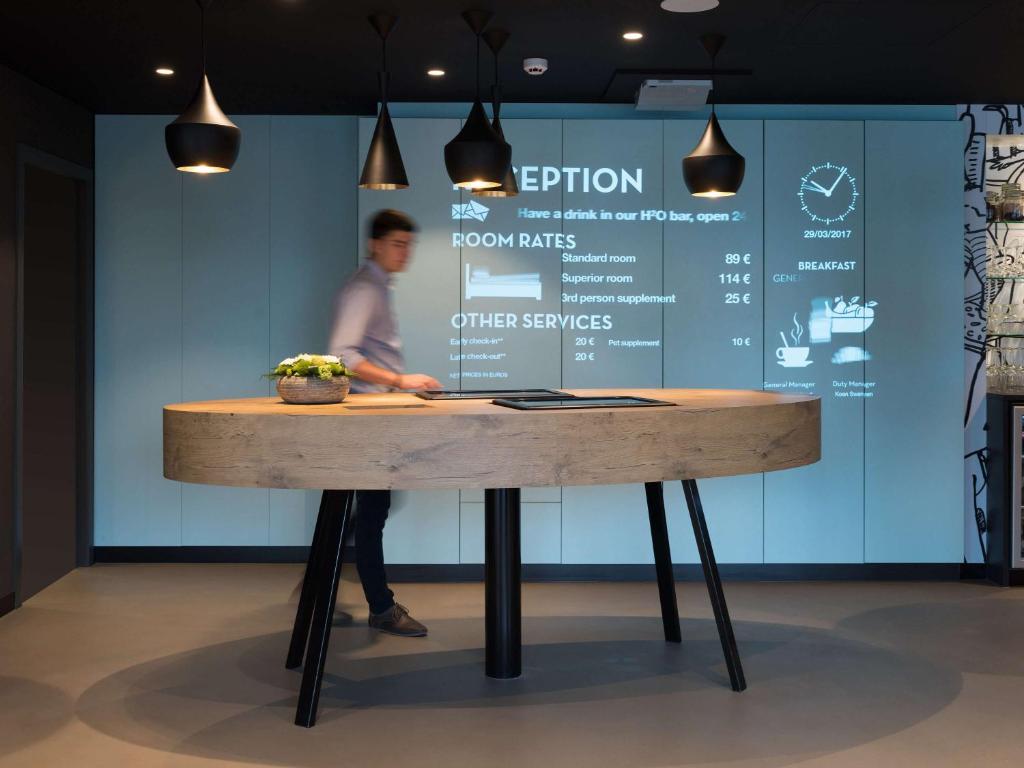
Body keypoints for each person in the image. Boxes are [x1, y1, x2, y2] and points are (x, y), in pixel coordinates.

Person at [325, 208, 441, 637]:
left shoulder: (376, 286)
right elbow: (343, 356)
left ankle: (320, 588)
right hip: (366, 417)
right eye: (397, 243)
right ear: (375, 244)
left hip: (378, 414)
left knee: (368, 513)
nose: (405, 252)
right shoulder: (364, 289)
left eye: (409, 244)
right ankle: (381, 607)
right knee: (371, 514)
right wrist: (398, 379)